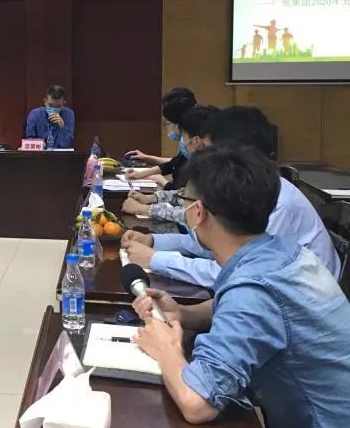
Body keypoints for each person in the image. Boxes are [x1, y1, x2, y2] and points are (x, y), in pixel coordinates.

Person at [130, 146, 350, 427]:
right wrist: (185, 314)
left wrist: (166, 349)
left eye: (185, 199)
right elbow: (264, 312)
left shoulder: (253, 289)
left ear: (197, 212)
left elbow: (197, 404)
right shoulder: (284, 252)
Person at [121, 106, 340, 287]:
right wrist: (154, 241)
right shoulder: (247, 187)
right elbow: (217, 243)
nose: (203, 158)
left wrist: (156, 259)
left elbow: (233, 272)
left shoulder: (274, 201)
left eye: (208, 150)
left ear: (233, 154)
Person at [122, 105, 217, 222]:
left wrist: (144, 209)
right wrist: (152, 198)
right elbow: (186, 196)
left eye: (183, 136)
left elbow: (194, 213)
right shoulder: (205, 161)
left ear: (195, 140)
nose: (183, 143)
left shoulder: (217, 169)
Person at [125, 87, 197, 190]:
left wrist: (159, 179)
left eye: (167, 123)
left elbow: (180, 191)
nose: (165, 128)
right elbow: (176, 162)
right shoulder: (187, 141)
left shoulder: (195, 145)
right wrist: (142, 173)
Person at [24, 85, 75, 149]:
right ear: (45, 102)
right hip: (39, 153)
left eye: (58, 106)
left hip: (60, 154)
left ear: (64, 103)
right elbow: (29, 140)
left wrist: (62, 127)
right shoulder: (35, 114)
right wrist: (38, 143)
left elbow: (66, 144)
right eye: (51, 105)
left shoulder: (68, 114)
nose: (54, 109)